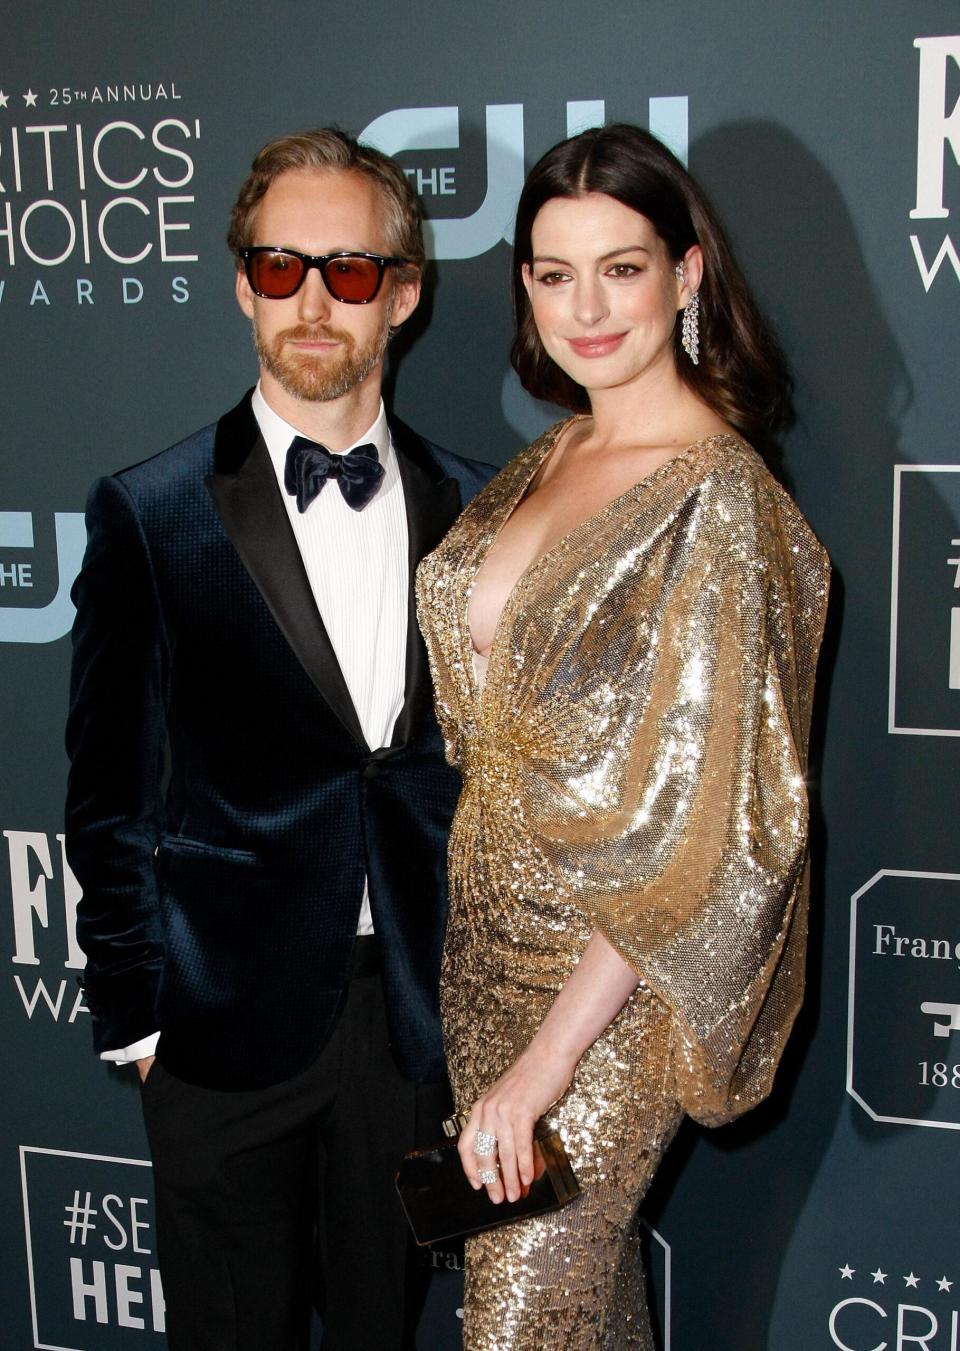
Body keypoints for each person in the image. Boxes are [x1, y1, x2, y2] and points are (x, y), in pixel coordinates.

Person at [64, 127, 492, 1351]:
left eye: (349, 272)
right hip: (216, 1024)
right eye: (279, 266)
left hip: (409, 1024)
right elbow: (108, 798)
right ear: (241, 283)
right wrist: (143, 1027)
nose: (312, 300)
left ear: (402, 295)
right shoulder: (150, 510)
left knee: (384, 1332)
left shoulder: (482, 504)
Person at [416, 123, 830, 1348]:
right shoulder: (557, 456)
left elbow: (703, 838)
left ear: (687, 274)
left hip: (614, 982)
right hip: (487, 948)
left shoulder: (721, 499)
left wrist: (547, 1066)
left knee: (522, 1306)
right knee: (573, 1307)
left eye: (622, 267)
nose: (585, 307)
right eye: (553, 273)